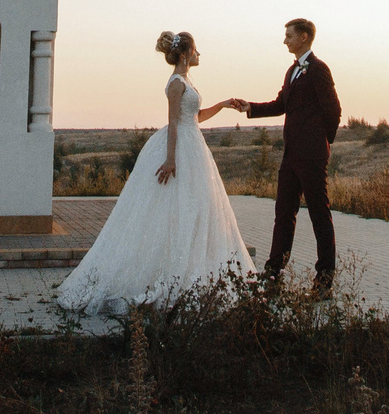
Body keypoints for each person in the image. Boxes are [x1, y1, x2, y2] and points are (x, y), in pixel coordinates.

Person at [55, 31, 257, 315]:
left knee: (196, 209)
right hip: (181, 148)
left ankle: (187, 273)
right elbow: (173, 123)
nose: (200, 55)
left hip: (194, 145)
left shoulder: (187, 82)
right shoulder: (176, 83)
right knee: (172, 209)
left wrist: (222, 105)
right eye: (197, 50)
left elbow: (195, 118)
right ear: (186, 54)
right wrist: (170, 159)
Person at [224, 18, 341, 295]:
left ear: (303, 37)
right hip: (290, 157)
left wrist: (322, 142)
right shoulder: (291, 72)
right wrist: (249, 107)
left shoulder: (319, 69)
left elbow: (334, 110)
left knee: (319, 215)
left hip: (312, 156)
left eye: (288, 35)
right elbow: (280, 105)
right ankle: (273, 275)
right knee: (283, 214)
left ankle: (324, 280)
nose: (284, 40)